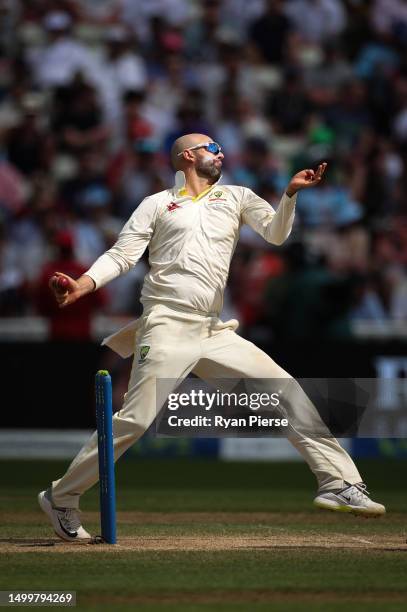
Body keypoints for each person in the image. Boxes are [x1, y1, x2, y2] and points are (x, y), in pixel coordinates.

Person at [38, 134, 385, 542]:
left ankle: (339, 483)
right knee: (135, 421)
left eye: (221, 147)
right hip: (166, 324)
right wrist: (83, 284)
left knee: (286, 392)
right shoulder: (156, 203)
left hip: (213, 329)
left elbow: (275, 234)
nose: (221, 152)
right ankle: (61, 496)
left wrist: (290, 194)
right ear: (188, 156)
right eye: (213, 147)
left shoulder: (237, 196)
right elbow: (122, 254)